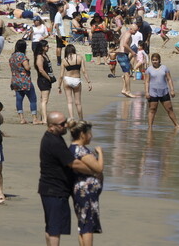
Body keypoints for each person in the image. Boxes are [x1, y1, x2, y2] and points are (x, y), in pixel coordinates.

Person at [39, 111, 95, 246]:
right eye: (62, 124)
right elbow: (73, 163)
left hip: (51, 189)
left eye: (65, 122)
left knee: (51, 226)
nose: (65, 126)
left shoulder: (53, 137)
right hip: (54, 190)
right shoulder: (53, 142)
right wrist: (94, 170)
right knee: (54, 229)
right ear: (51, 126)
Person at [68, 120, 104, 246]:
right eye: (90, 133)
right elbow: (98, 168)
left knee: (83, 223)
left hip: (82, 191)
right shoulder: (80, 150)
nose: (91, 136)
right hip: (86, 192)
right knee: (87, 224)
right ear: (82, 134)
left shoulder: (73, 149)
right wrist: (100, 153)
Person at [144, 53, 179, 130]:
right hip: (153, 92)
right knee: (152, 109)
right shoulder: (149, 70)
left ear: (159, 60)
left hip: (164, 91)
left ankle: (177, 125)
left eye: (156, 60)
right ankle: (150, 127)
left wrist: (172, 90)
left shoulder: (164, 68)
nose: (155, 61)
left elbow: (169, 79)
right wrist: (147, 92)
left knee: (169, 108)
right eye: (153, 60)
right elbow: (147, 81)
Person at [57, 45, 92, 121]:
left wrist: (59, 86)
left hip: (67, 80)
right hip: (77, 80)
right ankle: (81, 119)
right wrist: (88, 82)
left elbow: (61, 75)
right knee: (78, 102)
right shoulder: (79, 57)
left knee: (69, 102)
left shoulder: (64, 60)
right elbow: (84, 71)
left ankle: (71, 118)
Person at [9, 39, 40, 124]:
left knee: (19, 99)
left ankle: (22, 118)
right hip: (24, 80)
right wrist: (29, 66)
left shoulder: (12, 56)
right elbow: (27, 67)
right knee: (32, 98)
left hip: (15, 80)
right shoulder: (22, 56)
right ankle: (34, 119)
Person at [34, 40, 56, 124]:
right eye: (46, 46)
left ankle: (42, 117)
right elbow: (41, 69)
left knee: (43, 99)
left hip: (46, 79)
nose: (48, 47)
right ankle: (45, 119)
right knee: (44, 100)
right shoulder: (40, 57)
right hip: (43, 80)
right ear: (42, 47)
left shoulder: (45, 55)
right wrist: (48, 78)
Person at [116, 24, 138, 98]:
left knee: (126, 73)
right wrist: (132, 51)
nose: (136, 32)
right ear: (131, 29)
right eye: (135, 30)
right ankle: (128, 91)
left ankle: (124, 89)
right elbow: (125, 44)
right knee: (127, 74)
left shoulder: (124, 33)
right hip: (122, 55)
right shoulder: (128, 34)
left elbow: (119, 40)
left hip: (121, 54)